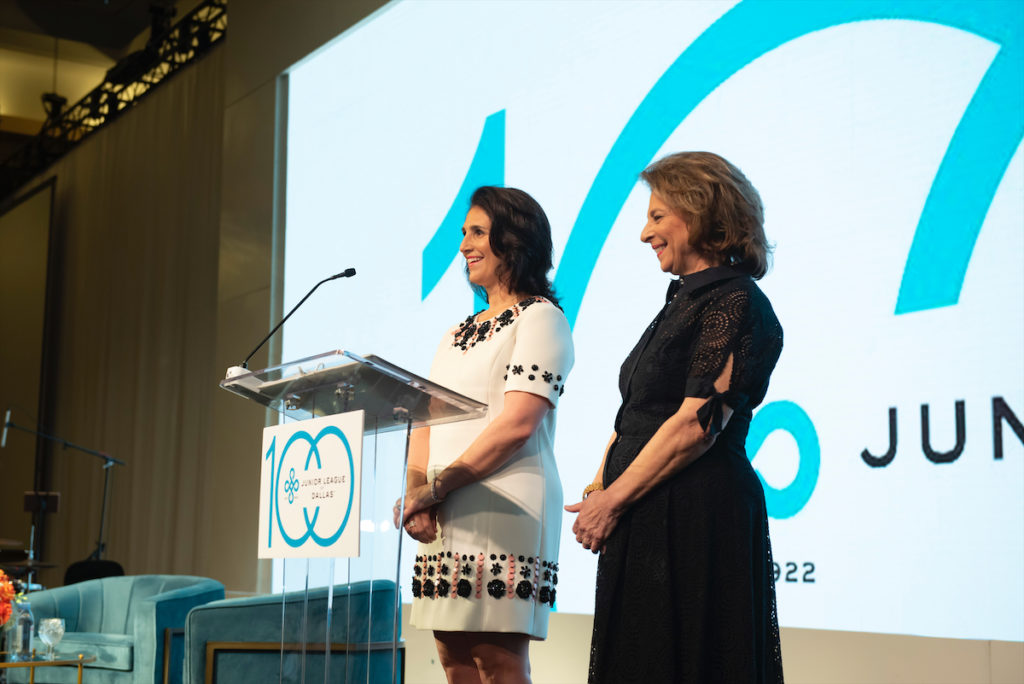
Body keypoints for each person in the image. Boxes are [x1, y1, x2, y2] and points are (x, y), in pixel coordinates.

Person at [565, 151, 785, 683]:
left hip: (694, 517)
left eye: (658, 216)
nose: (645, 233)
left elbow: (696, 426)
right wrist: (600, 485)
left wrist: (613, 499)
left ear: (701, 211)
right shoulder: (682, 302)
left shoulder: (735, 301)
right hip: (643, 511)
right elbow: (637, 411)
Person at [397, 186, 573, 683]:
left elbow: (518, 424)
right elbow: (425, 419)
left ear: (514, 240)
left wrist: (435, 489)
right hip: (443, 510)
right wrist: (417, 492)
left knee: (496, 661)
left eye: (477, 232)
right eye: (464, 233)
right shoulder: (454, 335)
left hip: (505, 505)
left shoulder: (541, 319)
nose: (463, 246)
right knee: (453, 659)